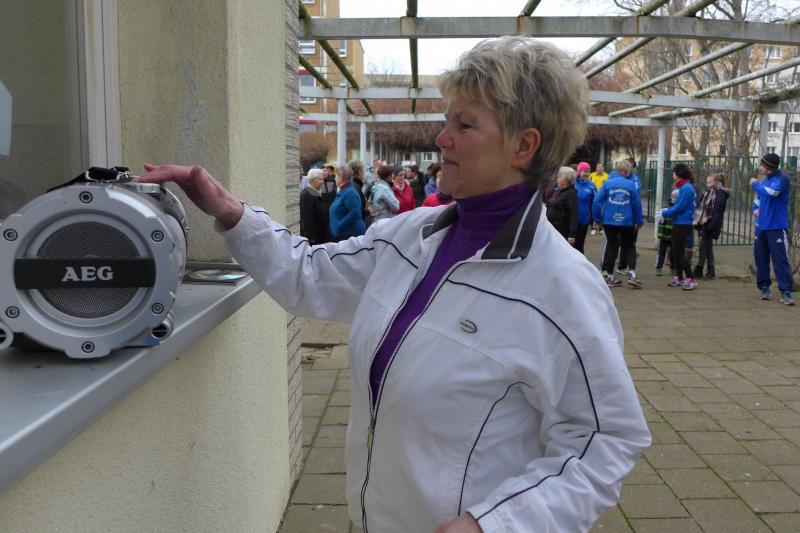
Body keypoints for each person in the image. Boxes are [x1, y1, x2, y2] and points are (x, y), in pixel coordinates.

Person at [136, 36, 649, 533]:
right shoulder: (409, 236)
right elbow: (309, 275)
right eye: (447, 121)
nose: (442, 139)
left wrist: (494, 523)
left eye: (464, 125)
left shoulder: (562, 287)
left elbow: (604, 440)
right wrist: (230, 212)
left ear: (523, 145)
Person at [750, 153, 794, 305]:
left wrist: (755, 184)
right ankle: (764, 288)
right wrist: (755, 209)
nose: (759, 167)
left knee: (780, 260)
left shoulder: (782, 179)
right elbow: (758, 198)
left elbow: (772, 193)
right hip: (760, 226)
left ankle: (786, 291)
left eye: (762, 165)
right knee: (761, 258)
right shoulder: (765, 180)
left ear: (769, 167)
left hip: (776, 227)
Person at [593, 160, 644, 288]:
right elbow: (636, 204)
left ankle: (609, 276)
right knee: (630, 246)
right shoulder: (631, 185)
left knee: (612, 246)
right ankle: (632, 275)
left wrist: (597, 219)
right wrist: (639, 221)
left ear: (616, 171)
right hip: (626, 221)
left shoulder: (607, 183)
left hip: (609, 220)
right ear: (628, 172)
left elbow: (597, 202)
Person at [660, 163, 697, 290]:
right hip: (679, 222)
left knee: (679, 253)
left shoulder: (686, 188)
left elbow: (680, 207)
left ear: (678, 174)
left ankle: (691, 278)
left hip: (683, 223)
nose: (673, 174)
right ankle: (679, 277)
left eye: (674, 172)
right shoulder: (684, 187)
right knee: (676, 251)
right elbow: (678, 205)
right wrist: (667, 210)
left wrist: (665, 213)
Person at [693, 173, 729, 280]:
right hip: (707, 222)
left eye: (709, 182)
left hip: (711, 223)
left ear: (717, 182)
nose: (707, 184)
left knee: (703, 247)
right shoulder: (709, 192)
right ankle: (711, 271)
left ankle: (699, 269)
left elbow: (718, 211)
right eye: (707, 182)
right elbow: (704, 207)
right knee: (708, 247)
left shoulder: (720, 193)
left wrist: (711, 225)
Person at [328, 164, 366, 241]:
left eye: (336, 176)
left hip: (349, 235)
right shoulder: (345, 190)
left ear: (341, 178)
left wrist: (340, 225)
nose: (335, 178)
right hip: (345, 234)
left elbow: (355, 212)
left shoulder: (349, 192)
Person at [546, 166, 579, 245]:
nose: (557, 179)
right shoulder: (556, 191)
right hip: (551, 227)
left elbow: (573, 214)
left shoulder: (571, 194)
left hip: (561, 230)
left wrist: (572, 234)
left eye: (559, 177)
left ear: (567, 180)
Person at [299, 168, 332, 244]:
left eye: (322, 179)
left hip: (321, 235)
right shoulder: (306, 195)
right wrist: (311, 237)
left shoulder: (317, 192)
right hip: (314, 239)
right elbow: (306, 218)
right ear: (312, 180)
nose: (323, 181)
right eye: (320, 179)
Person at [655, 189, 679, 277]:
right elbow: (661, 223)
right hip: (665, 235)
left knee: (673, 253)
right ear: (671, 198)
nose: (674, 199)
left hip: (674, 236)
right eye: (673, 197)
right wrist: (660, 235)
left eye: (676, 197)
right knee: (662, 252)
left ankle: (673, 268)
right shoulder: (665, 210)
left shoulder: (679, 210)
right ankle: (658, 268)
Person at [574, 161, 596, 254]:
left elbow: (595, 203)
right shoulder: (572, 183)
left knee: (579, 245)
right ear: (579, 172)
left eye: (588, 171)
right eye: (585, 171)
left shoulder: (591, 186)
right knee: (570, 244)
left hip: (584, 219)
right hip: (571, 219)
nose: (587, 174)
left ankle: (579, 260)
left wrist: (595, 218)